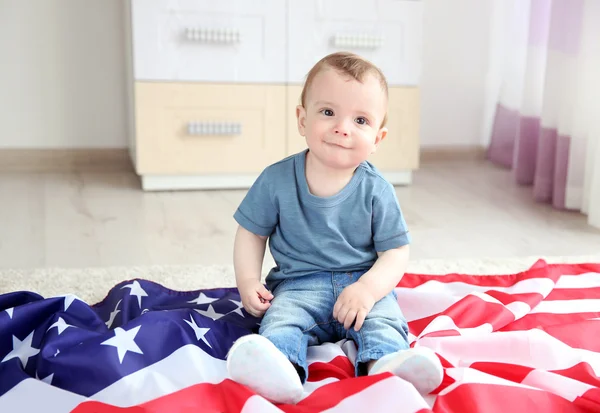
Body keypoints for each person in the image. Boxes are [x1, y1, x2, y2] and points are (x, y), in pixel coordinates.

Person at [226, 51, 443, 404]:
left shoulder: (377, 190)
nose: (343, 127)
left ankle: (387, 366)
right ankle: (281, 369)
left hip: (361, 285)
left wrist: (369, 290)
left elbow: (395, 251)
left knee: (384, 320)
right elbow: (252, 232)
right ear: (302, 118)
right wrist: (248, 281)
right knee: (281, 320)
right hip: (299, 285)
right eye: (328, 112)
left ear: (378, 137)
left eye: (360, 120)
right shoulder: (276, 179)